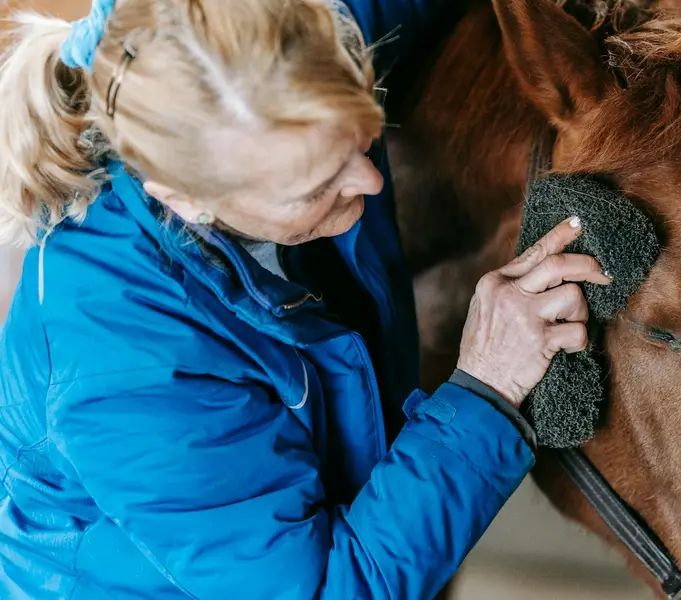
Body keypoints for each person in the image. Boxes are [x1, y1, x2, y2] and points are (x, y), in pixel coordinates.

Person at [0, 1, 609, 598]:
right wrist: (488, 386)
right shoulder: (124, 367)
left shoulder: (294, 49)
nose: (368, 181)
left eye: (365, 133)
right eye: (317, 185)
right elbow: (328, 589)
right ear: (187, 197)